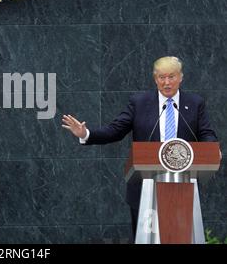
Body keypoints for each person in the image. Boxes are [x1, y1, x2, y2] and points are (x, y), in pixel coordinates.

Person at [62, 56, 218, 239]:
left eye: (171, 77)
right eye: (161, 77)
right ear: (155, 78)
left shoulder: (194, 103)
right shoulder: (139, 103)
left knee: (180, 238)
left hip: (182, 186)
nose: (166, 82)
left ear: (180, 77)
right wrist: (85, 133)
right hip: (145, 186)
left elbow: (206, 133)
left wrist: (211, 150)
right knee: (147, 239)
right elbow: (115, 131)